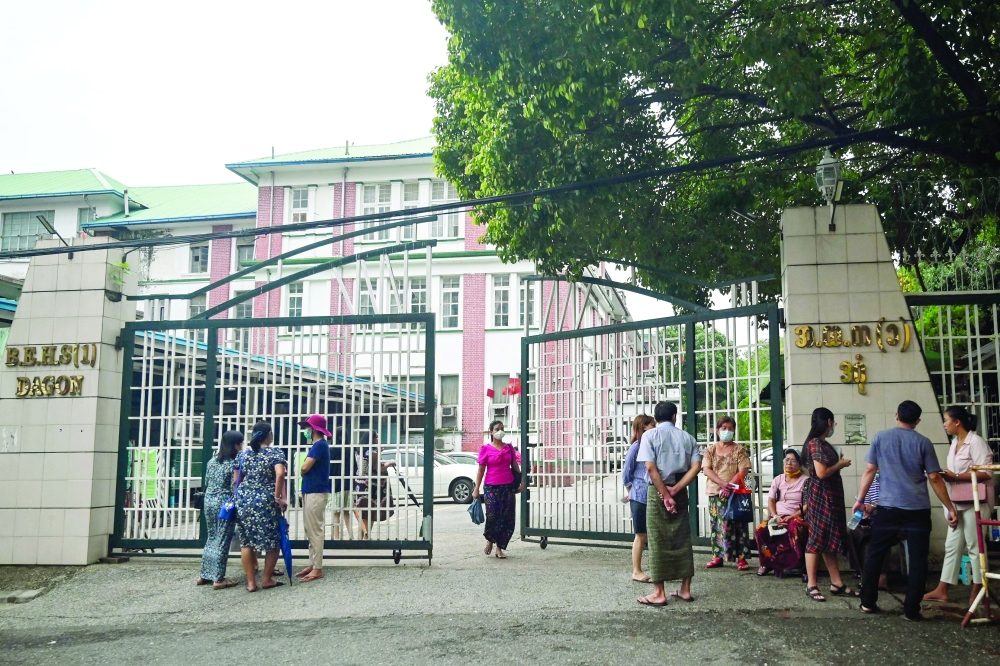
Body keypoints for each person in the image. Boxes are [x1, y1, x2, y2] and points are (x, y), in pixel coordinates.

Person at [854, 400, 959, 620]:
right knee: (918, 558)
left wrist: (860, 499)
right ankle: (912, 609)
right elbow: (934, 477)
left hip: (887, 508)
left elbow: (870, 469)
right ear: (918, 420)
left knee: (876, 554)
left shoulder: (880, 438)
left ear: (896, 416)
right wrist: (950, 507)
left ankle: (867, 603)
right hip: (917, 510)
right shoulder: (924, 442)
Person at [924, 406, 994, 605]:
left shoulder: (976, 442)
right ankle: (943, 587)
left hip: (976, 502)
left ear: (957, 422)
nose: (944, 424)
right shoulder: (955, 443)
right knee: (952, 545)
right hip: (958, 501)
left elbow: (986, 473)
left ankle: (979, 587)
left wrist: (954, 476)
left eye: (946, 420)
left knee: (975, 545)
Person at [635, 401, 702, 606]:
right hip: (679, 492)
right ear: (674, 417)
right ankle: (685, 589)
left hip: (657, 492)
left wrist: (664, 494)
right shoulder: (688, 438)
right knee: (682, 538)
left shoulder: (649, 436)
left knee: (657, 540)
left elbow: (650, 468)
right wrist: (676, 489)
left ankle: (659, 592)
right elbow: (696, 467)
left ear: (656, 419)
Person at [801, 407, 858, 602]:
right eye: (833, 422)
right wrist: (840, 464)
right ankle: (811, 584)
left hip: (831, 495)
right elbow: (821, 473)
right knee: (817, 539)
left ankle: (837, 583)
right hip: (821, 496)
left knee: (829, 539)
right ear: (829, 422)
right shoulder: (816, 444)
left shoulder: (824, 444)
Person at [235, 421, 287, 592]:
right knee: (273, 540)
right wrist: (278, 497)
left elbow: (237, 480)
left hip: (244, 499)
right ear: (269, 434)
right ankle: (266, 579)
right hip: (265, 500)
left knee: (246, 542)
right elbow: (280, 474)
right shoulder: (274, 453)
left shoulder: (243, 454)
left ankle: (250, 583)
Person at [702, 416, 752, 570]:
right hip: (715, 492)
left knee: (738, 524)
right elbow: (706, 469)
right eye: (724, 428)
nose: (727, 431)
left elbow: (743, 470)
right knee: (717, 525)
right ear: (717, 430)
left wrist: (729, 486)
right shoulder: (710, 449)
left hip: (734, 493)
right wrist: (722, 484)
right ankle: (718, 557)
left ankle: (741, 558)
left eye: (730, 428)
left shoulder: (739, 449)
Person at [196, 430, 243, 590]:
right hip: (225, 504)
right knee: (223, 539)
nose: (242, 446)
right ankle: (218, 578)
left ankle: (204, 574)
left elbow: (208, 482)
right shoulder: (234, 463)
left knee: (212, 537)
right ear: (235, 445)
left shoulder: (212, 461)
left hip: (209, 501)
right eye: (241, 443)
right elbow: (234, 485)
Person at [473, 420, 524, 559]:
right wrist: (476, 489)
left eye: (502, 428)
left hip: (507, 486)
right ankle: (490, 540)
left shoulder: (509, 448)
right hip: (491, 486)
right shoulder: (486, 449)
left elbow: (515, 466)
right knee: (493, 516)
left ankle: (500, 548)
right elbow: (481, 471)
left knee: (507, 517)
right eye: (497, 429)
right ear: (491, 432)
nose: (500, 431)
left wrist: (521, 481)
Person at [755, 448, 808, 577]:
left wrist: (791, 517)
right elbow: (771, 500)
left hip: (796, 516)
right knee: (760, 530)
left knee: (794, 529)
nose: (789, 463)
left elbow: (808, 505)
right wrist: (775, 516)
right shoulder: (778, 479)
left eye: (793, 461)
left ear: (800, 464)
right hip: (778, 516)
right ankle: (767, 564)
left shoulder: (806, 481)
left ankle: (798, 566)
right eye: (787, 460)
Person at [295, 414, 332, 583]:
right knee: (310, 529)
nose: (305, 431)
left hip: (315, 492)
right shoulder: (318, 445)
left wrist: (303, 469)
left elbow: (305, 467)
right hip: (311, 490)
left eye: (307, 428)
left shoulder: (319, 446)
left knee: (315, 530)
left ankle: (317, 568)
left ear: (314, 429)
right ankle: (312, 564)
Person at [621, 414, 656, 582]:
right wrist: (632, 489)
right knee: (640, 534)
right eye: (652, 425)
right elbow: (626, 472)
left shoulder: (650, 445)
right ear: (644, 427)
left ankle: (655, 568)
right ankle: (636, 571)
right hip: (639, 496)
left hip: (650, 494)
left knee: (651, 534)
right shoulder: (636, 446)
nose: (655, 427)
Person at [354, 430, 396, 540]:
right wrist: (390, 463)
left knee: (364, 512)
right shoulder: (371, 452)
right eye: (376, 437)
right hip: (369, 485)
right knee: (369, 512)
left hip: (360, 483)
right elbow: (378, 467)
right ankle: (365, 538)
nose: (378, 439)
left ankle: (361, 537)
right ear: (371, 439)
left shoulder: (359, 450)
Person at [329, 426, 356, 540]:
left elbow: (329, 467)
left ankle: (336, 538)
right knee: (346, 511)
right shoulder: (350, 449)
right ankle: (351, 536)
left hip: (336, 484)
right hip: (348, 484)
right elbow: (354, 466)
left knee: (336, 513)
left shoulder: (332, 449)